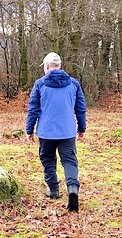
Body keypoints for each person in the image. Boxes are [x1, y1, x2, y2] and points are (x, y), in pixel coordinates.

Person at [25, 52, 86, 212]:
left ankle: (53, 190)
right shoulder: (74, 84)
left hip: (46, 132)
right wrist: (81, 128)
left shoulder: (40, 84)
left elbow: (33, 109)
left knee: (48, 160)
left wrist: (29, 130)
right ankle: (72, 188)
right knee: (69, 161)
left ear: (46, 66)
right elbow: (80, 108)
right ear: (59, 66)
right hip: (67, 131)